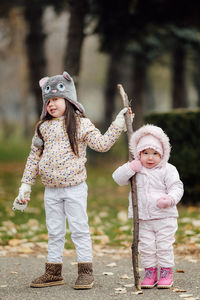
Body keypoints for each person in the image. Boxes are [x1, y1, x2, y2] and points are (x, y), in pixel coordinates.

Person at [13, 71, 131, 289]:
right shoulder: (42, 128)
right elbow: (33, 157)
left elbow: (102, 144)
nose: (51, 104)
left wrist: (118, 125)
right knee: (54, 231)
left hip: (74, 188)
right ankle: (53, 272)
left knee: (79, 229)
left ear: (68, 99)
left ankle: (85, 272)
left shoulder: (81, 124)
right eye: (48, 101)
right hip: (51, 190)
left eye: (56, 99)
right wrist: (25, 185)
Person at [112, 124, 184, 289]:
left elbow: (177, 187)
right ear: (138, 153)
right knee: (147, 247)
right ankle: (150, 273)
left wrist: (170, 199)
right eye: (145, 153)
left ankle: (166, 272)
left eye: (155, 153)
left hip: (165, 217)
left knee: (163, 245)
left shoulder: (168, 169)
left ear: (162, 154)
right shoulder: (136, 169)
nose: (150, 158)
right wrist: (130, 168)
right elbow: (117, 178)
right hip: (143, 218)